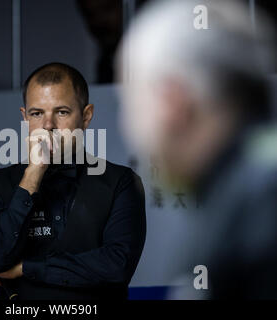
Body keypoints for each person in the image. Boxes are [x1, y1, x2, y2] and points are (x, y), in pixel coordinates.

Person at [117, 0, 277, 298]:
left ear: (171, 102)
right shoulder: (242, 192)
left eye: (130, 103)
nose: (129, 128)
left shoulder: (255, 209)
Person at [0, 62, 146, 300]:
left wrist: (25, 268)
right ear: (25, 117)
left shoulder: (122, 182)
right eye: (37, 113)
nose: (48, 125)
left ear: (86, 116)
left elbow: (117, 266)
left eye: (61, 112)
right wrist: (34, 173)